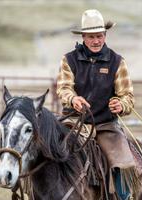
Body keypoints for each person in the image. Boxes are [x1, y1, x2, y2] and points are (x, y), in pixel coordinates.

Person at [57, 9, 136, 200]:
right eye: (91, 36)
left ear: (105, 35)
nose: (96, 41)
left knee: (123, 164)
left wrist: (121, 105)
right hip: (73, 123)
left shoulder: (117, 62)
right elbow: (63, 88)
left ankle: (122, 197)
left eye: (99, 36)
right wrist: (73, 99)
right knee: (49, 151)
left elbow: (128, 96)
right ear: (83, 36)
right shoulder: (69, 60)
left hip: (105, 125)